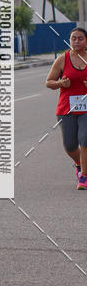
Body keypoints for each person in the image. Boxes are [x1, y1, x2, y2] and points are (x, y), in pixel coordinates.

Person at [46, 26, 87, 189]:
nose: (76, 41)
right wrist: (61, 83)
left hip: (86, 109)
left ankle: (84, 176)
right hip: (67, 109)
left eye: (80, 38)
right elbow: (49, 82)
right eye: (73, 38)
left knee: (85, 139)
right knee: (70, 145)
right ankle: (79, 164)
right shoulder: (63, 59)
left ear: (86, 41)